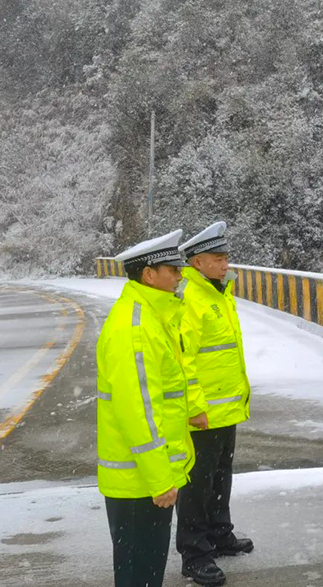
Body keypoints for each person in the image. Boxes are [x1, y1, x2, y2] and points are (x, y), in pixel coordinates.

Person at [96, 229, 198, 587]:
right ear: (149, 274)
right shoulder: (135, 328)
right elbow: (137, 410)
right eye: (173, 269)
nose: (180, 275)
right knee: (139, 572)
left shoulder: (150, 316)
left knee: (144, 569)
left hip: (144, 476)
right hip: (140, 480)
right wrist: (159, 479)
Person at [175, 221, 252, 587]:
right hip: (203, 412)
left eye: (226, 258)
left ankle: (219, 533)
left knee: (220, 477)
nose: (225, 265)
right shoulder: (190, 298)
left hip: (225, 408)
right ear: (196, 263)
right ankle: (194, 553)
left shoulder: (219, 294)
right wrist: (194, 405)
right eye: (217, 259)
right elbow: (184, 359)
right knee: (196, 484)